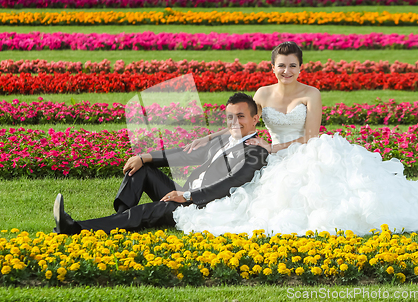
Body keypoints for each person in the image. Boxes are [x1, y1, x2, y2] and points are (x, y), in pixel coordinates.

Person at [173, 41, 418, 236]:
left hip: (304, 150)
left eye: (292, 66)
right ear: (272, 67)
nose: (286, 71)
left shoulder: (311, 93)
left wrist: (271, 146)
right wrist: (209, 136)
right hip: (271, 151)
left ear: (300, 68)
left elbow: (310, 136)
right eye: (281, 65)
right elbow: (241, 122)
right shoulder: (261, 94)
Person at [53, 93, 269, 235]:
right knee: (141, 169)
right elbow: (187, 154)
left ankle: (74, 228)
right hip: (185, 193)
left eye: (240, 117)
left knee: (145, 212)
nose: (234, 122)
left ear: (255, 119)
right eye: (230, 117)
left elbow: (233, 181)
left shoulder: (256, 151)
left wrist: (186, 196)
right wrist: (145, 156)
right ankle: (119, 219)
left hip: (202, 205)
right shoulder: (223, 139)